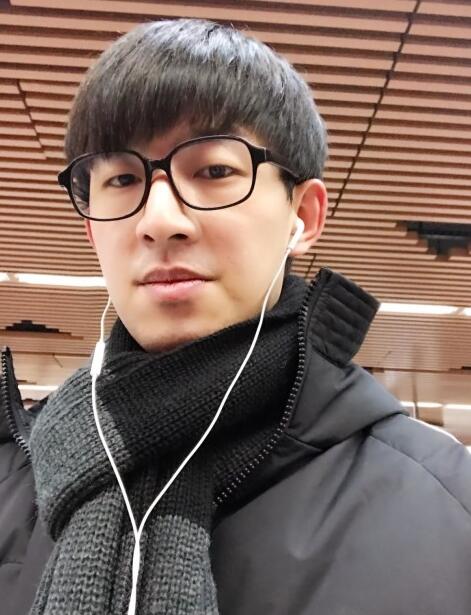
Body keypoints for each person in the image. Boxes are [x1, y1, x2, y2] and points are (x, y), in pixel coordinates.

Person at [1, 18, 471, 615]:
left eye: (215, 171)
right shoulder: (15, 479)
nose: (159, 220)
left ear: (304, 215)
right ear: (92, 229)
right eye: (122, 178)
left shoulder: (447, 503)